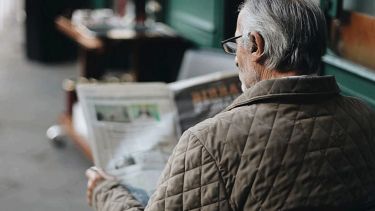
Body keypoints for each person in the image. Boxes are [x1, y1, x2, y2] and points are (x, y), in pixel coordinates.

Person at [86, 0, 375, 210]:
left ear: (257, 46)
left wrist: (107, 193)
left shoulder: (209, 142)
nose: (235, 58)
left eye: (237, 43)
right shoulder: (366, 117)